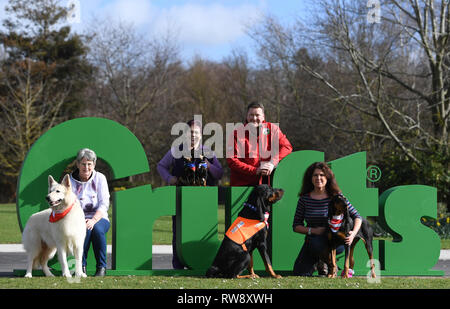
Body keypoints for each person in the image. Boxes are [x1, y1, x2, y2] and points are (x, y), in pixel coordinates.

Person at [157, 119, 223, 269]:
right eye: (190, 132)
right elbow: (160, 166)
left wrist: (209, 165)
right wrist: (169, 178)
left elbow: (219, 173)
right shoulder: (176, 150)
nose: (193, 135)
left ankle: (201, 262)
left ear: (201, 135)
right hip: (181, 199)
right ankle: (178, 264)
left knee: (201, 229)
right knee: (178, 231)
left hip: (203, 201)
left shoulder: (208, 151)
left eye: (196, 132)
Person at [292, 161, 362, 276]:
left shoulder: (337, 196)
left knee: (327, 246)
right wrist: (314, 231)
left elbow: (357, 216)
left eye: (322, 175)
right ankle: (323, 261)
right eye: (315, 175)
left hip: (335, 240)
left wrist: (353, 234)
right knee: (299, 273)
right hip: (314, 241)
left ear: (328, 178)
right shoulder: (304, 199)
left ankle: (329, 264)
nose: (318, 178)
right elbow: (296, 226)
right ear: (310, 178)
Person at [226, 102, 293, 186]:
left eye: (257, 115)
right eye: (251, 115)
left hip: (268, 184)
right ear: (247, 116)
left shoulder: (273, 129)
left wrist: (273, 163)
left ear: (263, 117)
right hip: (243, 185)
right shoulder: (236, 134)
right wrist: (255, 170)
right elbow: (232, 160)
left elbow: (287, 147)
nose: (254, 118)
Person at [69, 148, 110, 277]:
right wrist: (81, 221)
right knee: (84, 230)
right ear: (77, 164)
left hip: (99, 218)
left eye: (89, 164)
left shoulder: (100, 178)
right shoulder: (69, 180)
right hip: (77, 219)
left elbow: (104, 203)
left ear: (94, 164)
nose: (86, 167)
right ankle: (81, 267)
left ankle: (101, 267)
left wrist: (93, 220)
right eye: (83, 164)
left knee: (97, 230)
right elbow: (68, 203)